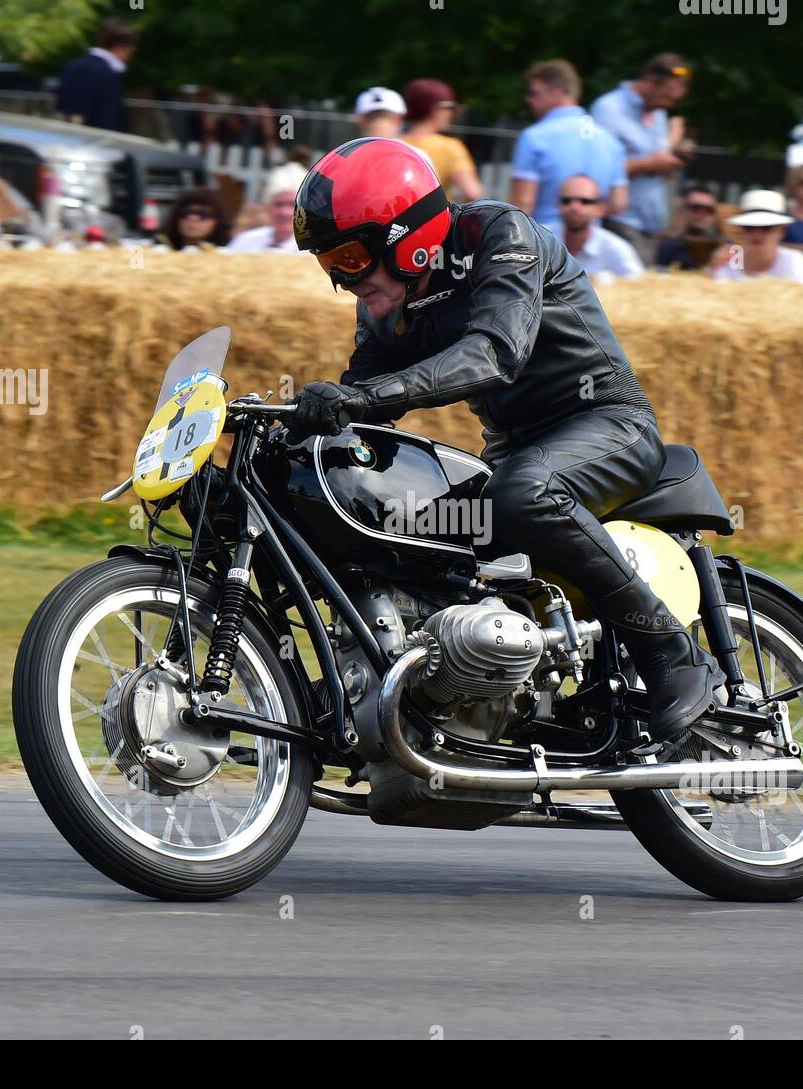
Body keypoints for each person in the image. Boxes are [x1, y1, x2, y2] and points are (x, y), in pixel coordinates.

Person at [286, 137, 724, 742]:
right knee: (410, 525)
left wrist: (364, 397)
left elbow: (495, 353)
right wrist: (290, 425)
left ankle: (673, 654)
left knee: (524, 494)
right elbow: (363, 397)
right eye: (329, 264)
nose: (343, 280)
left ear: (405, 238)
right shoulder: (387, 306)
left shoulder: (501, 235)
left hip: (609, 426)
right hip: (517, 453)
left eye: (352, 258)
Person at [590, 53, 692, 266]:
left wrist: (669, 160)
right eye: (667, 97)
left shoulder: (657, 113)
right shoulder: (608, 109)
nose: (668, 105)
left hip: (650, 226)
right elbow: (597, 167)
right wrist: (651, 165)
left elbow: (655, 155)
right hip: (619, 220)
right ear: (651, 81)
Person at [509, 59, 628, 228]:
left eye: (533, 92)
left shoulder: (535, 136)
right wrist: (584, 213)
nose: (528, 99)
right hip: (590, 240)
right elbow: (618, 203)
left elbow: (523, 204)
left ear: (557, 93)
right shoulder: (610, 140)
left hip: (544, 241)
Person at [546, 173, 643, 280]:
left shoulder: (616, 248)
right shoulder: (536, 240)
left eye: (585, 201)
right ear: (557, 205)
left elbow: (638, 285)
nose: (574, 207)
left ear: (600, 208)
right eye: (566, 201)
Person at [402, 78, 484, 201]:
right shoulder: (450, 147)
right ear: (435, 109)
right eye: (448, 108)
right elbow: (472, 192)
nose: (451, 114)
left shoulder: (393, 144)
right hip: (436, 218)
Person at [711, 189, 803, 283]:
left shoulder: (793, 260)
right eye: (749, 226)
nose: (757, 233)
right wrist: (711, 270)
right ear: (742, 230)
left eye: (766, 227)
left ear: (782, 231)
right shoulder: (732, 259)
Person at [57, 18, 138, 133]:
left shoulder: (72, 66)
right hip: (99, 139)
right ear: (119, 47)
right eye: (130, 51)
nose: (129, 57)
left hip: (68, 135)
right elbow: (109, 117)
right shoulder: (109, 73)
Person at [224, 164, 304, 252]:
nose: (284, 212)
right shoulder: (246, 241)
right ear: (267, 208)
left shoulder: (315, 249)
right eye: (278, 204)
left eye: (292, 205)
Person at [655, 183, 719, 269]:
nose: (702, 213)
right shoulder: (666, 246)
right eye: (696, 208)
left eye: (709, 210)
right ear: (683, 209)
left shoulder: (724, 246)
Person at [164, 187, 231, 250]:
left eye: (203, 214)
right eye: (186, 213)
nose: (192, 218)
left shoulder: (229, 254)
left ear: (217, 222)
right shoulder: (159, 253)